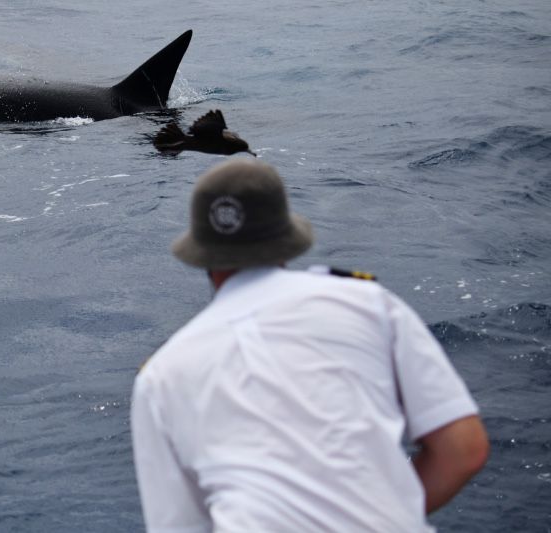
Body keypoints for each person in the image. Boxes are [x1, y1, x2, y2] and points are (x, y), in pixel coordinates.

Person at [131, 158, 488, 532]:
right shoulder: (368, 304)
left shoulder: (161, 375)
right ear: (286, 239)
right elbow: (462, 451)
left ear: (201, 255)